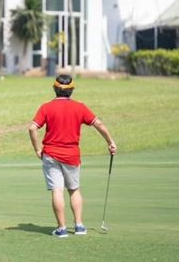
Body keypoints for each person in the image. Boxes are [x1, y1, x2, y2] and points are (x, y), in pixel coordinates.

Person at [28, 74, 117, 238]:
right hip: (72, 156)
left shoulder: (46, 107)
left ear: (54, 89)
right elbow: (99, 124)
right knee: (74, 190)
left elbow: (32, 128)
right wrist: (110, 142)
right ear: (72, 90)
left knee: (57, 190)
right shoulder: (80, 107)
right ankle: (79, 226)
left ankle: (61, 229)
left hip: (51, 154)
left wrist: (37, 149)